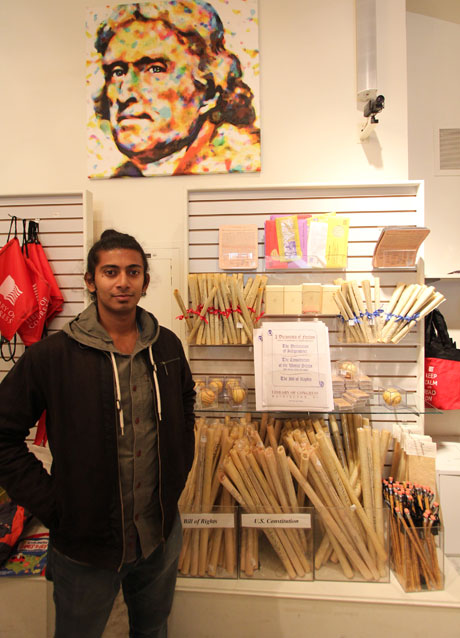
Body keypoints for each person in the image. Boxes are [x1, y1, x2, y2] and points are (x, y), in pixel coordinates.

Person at [0, 229, 196, 637]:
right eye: (110, 272)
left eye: (133, 271)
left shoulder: (168, 347)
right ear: (91, 281)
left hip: (158, 534)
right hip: (84, 543)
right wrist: (55, 505)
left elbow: (185, 406)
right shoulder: (53, 356)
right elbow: (2, 434)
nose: (122, 281)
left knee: (153, 629)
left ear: (144, 280)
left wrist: (177, 476)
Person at [89, 0, 261, 177]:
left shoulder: (243, 166)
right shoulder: (120, 176)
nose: (124, 94)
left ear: (209, 91)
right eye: (117, 72)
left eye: (155, 69)